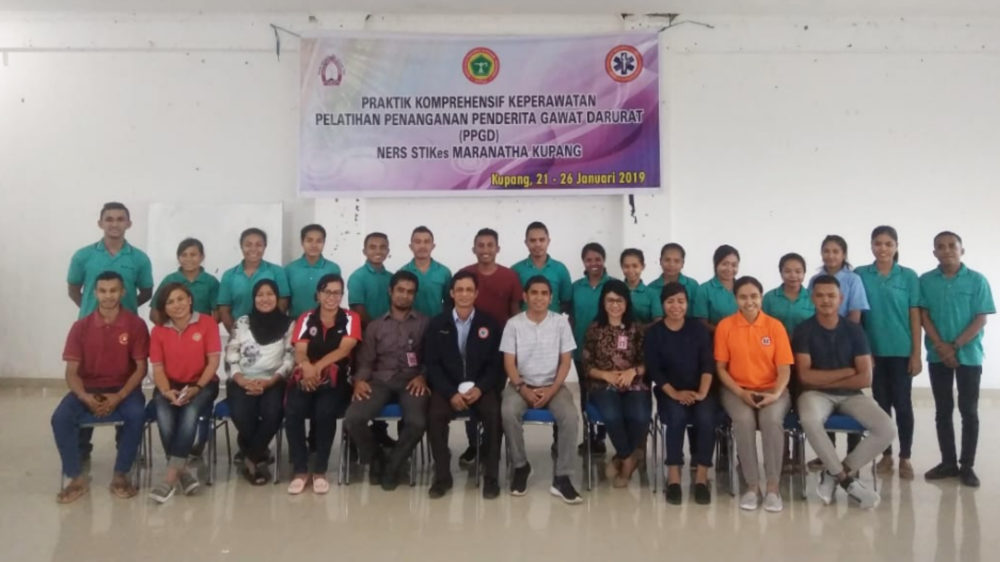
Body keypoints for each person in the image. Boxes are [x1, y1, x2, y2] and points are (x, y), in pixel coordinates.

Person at [794, 275, 895, 509]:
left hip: (851, 394)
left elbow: (865, 378)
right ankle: (846, 480)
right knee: (809, 420)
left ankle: (834, 474)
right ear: (812, 298)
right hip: (814, 394)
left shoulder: (854, 330)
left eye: (831, 295)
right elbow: (805, 377)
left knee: (887, 428)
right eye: (820, 295)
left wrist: (824, 377)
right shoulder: (804, 330)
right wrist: (847, 372)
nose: (826, 300)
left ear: (840, 298)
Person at [52, 271, 149, 503]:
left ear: (122, 292)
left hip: (124, 389)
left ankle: (121, 475)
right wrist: (85, 397)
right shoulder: (80, 327)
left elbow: (140, 369)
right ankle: (75, 478)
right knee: (60, 418)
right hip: (88, 388)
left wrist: (119, 396)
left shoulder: (136, 325)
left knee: (137, 415)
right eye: (103, 291)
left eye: (113, 290)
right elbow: (71, 372)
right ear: (95, 293)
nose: (108, 296)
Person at [920, 231, 995, 487]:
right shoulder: (926, 281)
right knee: (943, 410)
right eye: (940, 247)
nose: (947, 250)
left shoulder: (977, 280)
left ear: (962, 250)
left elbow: (981, 318)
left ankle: (967, 465)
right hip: (937, 355)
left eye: (952, 245)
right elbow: (923, 316)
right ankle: (948, 462)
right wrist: (942, 348)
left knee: (968, 411)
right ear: (934, 253)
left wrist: (954, 346)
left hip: (969, 355)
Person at [343, 271, 430, 491]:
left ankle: (393, 465)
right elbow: (365, 362)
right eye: (400, 290)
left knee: (417, 422)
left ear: (415, 295)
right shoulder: (375, 326)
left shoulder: (425, 323)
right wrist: (359, 381)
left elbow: (432, 358)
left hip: (412, 381)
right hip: (380, 381)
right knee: (353, 419)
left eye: (410, 292)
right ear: (390, 291)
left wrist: (423, 376)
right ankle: (377, 458)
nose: (404, 295)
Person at [500, 276, 583, 504]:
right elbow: (509, 363)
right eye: (534, 293)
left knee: (570, 416)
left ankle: (563, 477)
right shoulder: (514, 324)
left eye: (544, 293)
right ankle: (520, 466)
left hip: (553, 385)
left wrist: (552, 389)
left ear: (551, 297)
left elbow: (566, 362)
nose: (539, 298)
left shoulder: (560, 323)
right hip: (521, 384)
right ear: (525, 296)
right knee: (508, 412)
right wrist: (522, 388)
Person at [714, 276, 793, 512]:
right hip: (736, 390)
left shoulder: (775, 326)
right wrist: (741, 393)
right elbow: (721, 369)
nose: (749, 302)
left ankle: (773, 488)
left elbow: (784, 369)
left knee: (771, 420)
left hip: (772, 389)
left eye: (754, 296)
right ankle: (752, 486)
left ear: (761, 297)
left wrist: (776, 394)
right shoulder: (725, 326)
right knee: (743, 421)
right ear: (735, 299)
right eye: (743, 297)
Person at [424, 271, 503, 499]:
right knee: (435, 416)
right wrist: (450, 393)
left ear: (476, 293)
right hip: (448, 388)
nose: (464, 294)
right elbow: (432, 364)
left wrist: (480, 388)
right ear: (451, 293)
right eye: (459, 290)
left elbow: (496, 364)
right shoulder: (437, 323)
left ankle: (491, 477)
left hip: (480, 388)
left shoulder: (489, 323)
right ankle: (442, 476)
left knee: (493, 415)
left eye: (469, 290)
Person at [855, 226, 922, 480]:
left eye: (888, 244)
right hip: (873, 353)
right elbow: (858, 317)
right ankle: (886, 455)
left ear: (896, 246)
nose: (882, 248)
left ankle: (905, 456)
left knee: (902, 404)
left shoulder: (908, 276)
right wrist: (864, 352)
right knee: (880, 406)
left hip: (902, 351)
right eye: (878, 243)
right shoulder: (861, 274)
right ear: (871, 245)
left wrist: (916, 353)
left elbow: (915, 316)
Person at [285, 274, 360, 495]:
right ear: (318, 294)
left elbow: (344, 350)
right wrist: (306, 367)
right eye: (327, 292)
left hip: (337, 380)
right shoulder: (306, 318)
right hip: (306, 376)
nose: (331, 297)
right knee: (293, 410)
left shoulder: (350, 318)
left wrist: (316, 367)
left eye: (337, 293)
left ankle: (320, 471)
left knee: (325, 411)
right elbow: (300, 350)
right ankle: (300, 470)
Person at [148, 283, 222, 503]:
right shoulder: (158, 331)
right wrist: (166, 391)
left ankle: (170, 478)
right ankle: (183, 472)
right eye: (170, 302)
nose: (176, 305)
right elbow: (158, 368)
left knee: (190, 413)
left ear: (190, 299)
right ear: (164, 308)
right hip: (170, 384)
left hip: (203, 383)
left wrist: (197, 387)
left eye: (180, 299)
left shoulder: (207, 323)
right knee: (164, 413)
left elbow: (213, 362)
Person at [645, 282, 715, 505]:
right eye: (670, 301)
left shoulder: (698, 329)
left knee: (706, 418)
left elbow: (708, 363)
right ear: (663, 304)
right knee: (676, 418)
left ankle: (701, 477)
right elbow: (654, 370)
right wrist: (674, 393)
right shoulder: (654, 333)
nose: (676, 306)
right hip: (669, 391)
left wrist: (702, 392)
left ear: (687, 303)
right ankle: (673, 475)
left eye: (681, 301)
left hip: (700, 390)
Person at [806, 235, 869, 468]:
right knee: (823, 392)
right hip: (819, 342)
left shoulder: (853, 279)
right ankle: (827, 454)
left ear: (844, 254)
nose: (830, 255)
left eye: (835, 251)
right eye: (826, 251)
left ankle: (853, 456)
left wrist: (845, 338)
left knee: (849, 393)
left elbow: (855, 314)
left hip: (847, 343)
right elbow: (811, 309)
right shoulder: (815, 280)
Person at [225, 279, 294, 485]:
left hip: (274, 380)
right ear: (253, 298)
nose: (265, 299)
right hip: (242, 378)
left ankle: (251, 458)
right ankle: (259, 452)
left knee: (273, 412)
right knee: (241, 413)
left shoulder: (289, 324)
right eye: (260, 295)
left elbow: (290, 358)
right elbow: (231, 354)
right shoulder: (242, 322)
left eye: (270, 294)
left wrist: (270, 381)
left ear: (277, 297)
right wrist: (241, 380)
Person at [582, 279, 649, 488]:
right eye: (610, 300)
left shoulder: (636, 328)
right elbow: (586, 365)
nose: (614, 305)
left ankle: (620, 456)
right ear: (603, 303)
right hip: (603, 385)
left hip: (633, 383)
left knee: (640, 416)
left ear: (626, 303)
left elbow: (647, 362)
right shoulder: (594, 328)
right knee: (612, 415)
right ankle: (628, 461)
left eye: (619, 300)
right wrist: (605, 375)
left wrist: (633, 371)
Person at [67, 202, 154, 319]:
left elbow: (147, 293)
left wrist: (121, 309)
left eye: (120, 219)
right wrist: (93, 311)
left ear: (128, 224)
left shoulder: (140, 258)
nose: (115, 224)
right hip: (90, 325)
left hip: (127, 325)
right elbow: (73, 291)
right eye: (109, 219)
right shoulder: (82, 256)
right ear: (100, 223)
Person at [571, 242, 615, 453]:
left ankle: (601, 436)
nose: (593, 263)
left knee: (604, 392)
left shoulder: (613, 285)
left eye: (598, 259)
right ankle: (588, 436)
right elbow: (570, 317)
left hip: (607, 351)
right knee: (585, 393)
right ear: (583, 262)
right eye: (589, 260)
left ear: (604, 260)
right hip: (581, 349)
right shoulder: (576, 287)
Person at [218, 228, 290, 334]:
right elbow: (224, 310)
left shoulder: (276, 271)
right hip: (240, 334)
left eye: (259, 245)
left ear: (265, 246)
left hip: (271, 332)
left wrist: (271, 331)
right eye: (248, 245)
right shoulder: (229, 275)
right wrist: (237, 335)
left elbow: (283, 304)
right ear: (241, 247)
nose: (253, 249)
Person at [460, 228, 523, 325]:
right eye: (481, 246)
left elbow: (515, 311)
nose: (485, 250)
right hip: (469, 332)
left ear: (497, 249)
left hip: (502, 332)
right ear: (474, 249)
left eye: (490, 245)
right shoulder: (464, 274)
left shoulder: (510, 276)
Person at [151, 238, 220, 325]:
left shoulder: (211, 282)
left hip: (201, 331)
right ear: (178, 258)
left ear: (202, 257)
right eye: (184, 255)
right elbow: (154, 313)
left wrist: (206, 329)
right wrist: (170, 329)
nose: (188, 259)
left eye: (193, 255)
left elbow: (217, 314)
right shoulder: (170, 280)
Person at [511, 221, 573, 313]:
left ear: (548, 241)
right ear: (526, 243)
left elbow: (566, 301)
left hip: (553, 321)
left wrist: (553, 318)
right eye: (533, 240)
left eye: (542, 240)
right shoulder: (516, 270)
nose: (538, 244)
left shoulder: (560, 269)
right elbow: (513, 303)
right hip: (524, 321)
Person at [285, 224, 341, 319]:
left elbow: (335, 297)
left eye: (319, 241)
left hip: (325, 322)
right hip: (296, 321)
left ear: (324, 243)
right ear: (302, 242)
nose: (314, 245)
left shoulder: (333, 269)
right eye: (309, 240)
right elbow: (286, 300)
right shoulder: (290, 269)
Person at [401, 226, 452, 318]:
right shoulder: (403, 272)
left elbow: (450, 302)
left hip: (437, 323)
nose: (422, 246)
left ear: (433, 246)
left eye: (427, 242)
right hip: (410, 323)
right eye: (418, 242)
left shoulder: (444, 272)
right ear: (411, 246)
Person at [762, 253, 815, 337]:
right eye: (787, 271)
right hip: (776, 342)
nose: (793, 275)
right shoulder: (769, 298)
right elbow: (762, 325)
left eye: (798, 271)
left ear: (804, 273)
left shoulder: (813, 297)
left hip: (806, 343)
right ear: (781, 273)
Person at [348, 232, 393, 326]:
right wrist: (375, 330)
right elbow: (358, 310)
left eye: (382, 247)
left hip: (390, 329)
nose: (378, 251)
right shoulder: (357, 277)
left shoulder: (392, 278)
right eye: (372, 247)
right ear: (364, 251)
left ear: (388, 251)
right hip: (365, 330)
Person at [693, 245, 740, 333]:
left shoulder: (743, 288)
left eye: (734, 265)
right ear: (716, 264)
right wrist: (724, 333)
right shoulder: (704, 289)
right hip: (715, 338)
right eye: (724, 264)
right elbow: (701, 322)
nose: (729, 269)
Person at [648, 243, 700, 316]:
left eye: (676, 261)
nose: (671, 264)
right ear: (660, 261)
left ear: (683, 263)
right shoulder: (651, 288)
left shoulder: (692, 285)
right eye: (667, 260)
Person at [619, 248, 661, 324]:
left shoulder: (652, 294)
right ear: (621, 267)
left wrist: (642, 329)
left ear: (643, 266)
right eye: (626, 266)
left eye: (635, 266)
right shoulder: (616, 291)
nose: (631, 270)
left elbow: (658, 320)